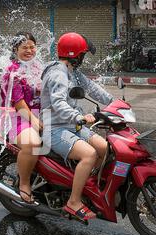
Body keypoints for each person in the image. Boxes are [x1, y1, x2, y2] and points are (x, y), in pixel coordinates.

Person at [40, 32, 114, 222]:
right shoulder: (58, 73)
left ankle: (85, 186)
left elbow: (92, 88)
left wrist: (114, 104)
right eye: (82, 54)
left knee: (105, 148)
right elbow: (58, 103)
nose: (83, 58)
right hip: (54, 129)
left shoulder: (72, 71)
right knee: (89, 154)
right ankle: (73, 202)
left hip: (71, 127)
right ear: (74, 54)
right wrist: (78, 117)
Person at [0, 32, 43, 204]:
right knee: (33, 143)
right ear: (15, 49)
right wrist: (35, 122)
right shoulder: (12, 72)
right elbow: (18, 104)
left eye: (32, 46)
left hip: (40, 115)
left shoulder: (39, 67)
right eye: (24, 47)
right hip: (17, 118)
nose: (29, 50)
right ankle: (24, 183)